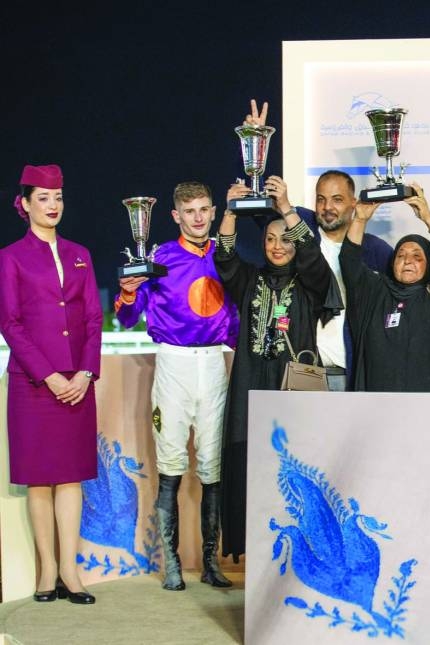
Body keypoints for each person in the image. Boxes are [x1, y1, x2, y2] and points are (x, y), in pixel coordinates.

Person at [114, 181, 239, 590]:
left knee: (213, 468)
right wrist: (127, 293)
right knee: (170, 465)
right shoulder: (158, 258)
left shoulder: (226, 256)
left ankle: (211, 563)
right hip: (174, 365)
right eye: (190, 211)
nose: (198, 218)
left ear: (214, 211)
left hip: (215, 364)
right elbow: (128, 317)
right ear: (175, 216)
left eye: (204, 209)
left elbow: (237, 318)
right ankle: (171, 562)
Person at [215, 172, 335, 563]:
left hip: (292, 389)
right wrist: (230, 212)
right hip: (250, 383)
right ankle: (255, 553)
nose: (277, 246)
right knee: (250, 463)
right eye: (269, 239)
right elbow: (225, 260)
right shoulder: (251, 279)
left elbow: (314, 258)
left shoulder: (311, 283)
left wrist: (284, 207)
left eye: (285, 239)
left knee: (293, 467)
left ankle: (302, 554)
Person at [0, 164, 101, 604]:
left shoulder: (80, 254)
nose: (53, 205)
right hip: (34, 385)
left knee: (71, 477)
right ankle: (46, 571)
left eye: (57, 197)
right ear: (25, 204)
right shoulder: (11, 257)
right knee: (40, 479)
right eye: (43, 198)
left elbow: (93, 318)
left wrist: (85, 372)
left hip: (78, 383)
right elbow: (10, 323)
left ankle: (69, 571)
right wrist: (49, 375)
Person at [275, 169, 393, 390]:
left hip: (353, 373)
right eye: (321, 199)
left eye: (337, 200)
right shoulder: (299, 239)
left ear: (353, 203)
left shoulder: (376, 250)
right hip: (305, 368)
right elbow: (272, 215)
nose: (327, 207)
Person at [341, 184, 430, 391]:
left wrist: (428, 217)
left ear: (429, 264)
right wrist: (360, 219)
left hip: (429, 403)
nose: (407, 261)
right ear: (392, 263)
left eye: (417, 256)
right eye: (401, 255)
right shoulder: (375, 292)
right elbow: (349, 261)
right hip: (377, 402)